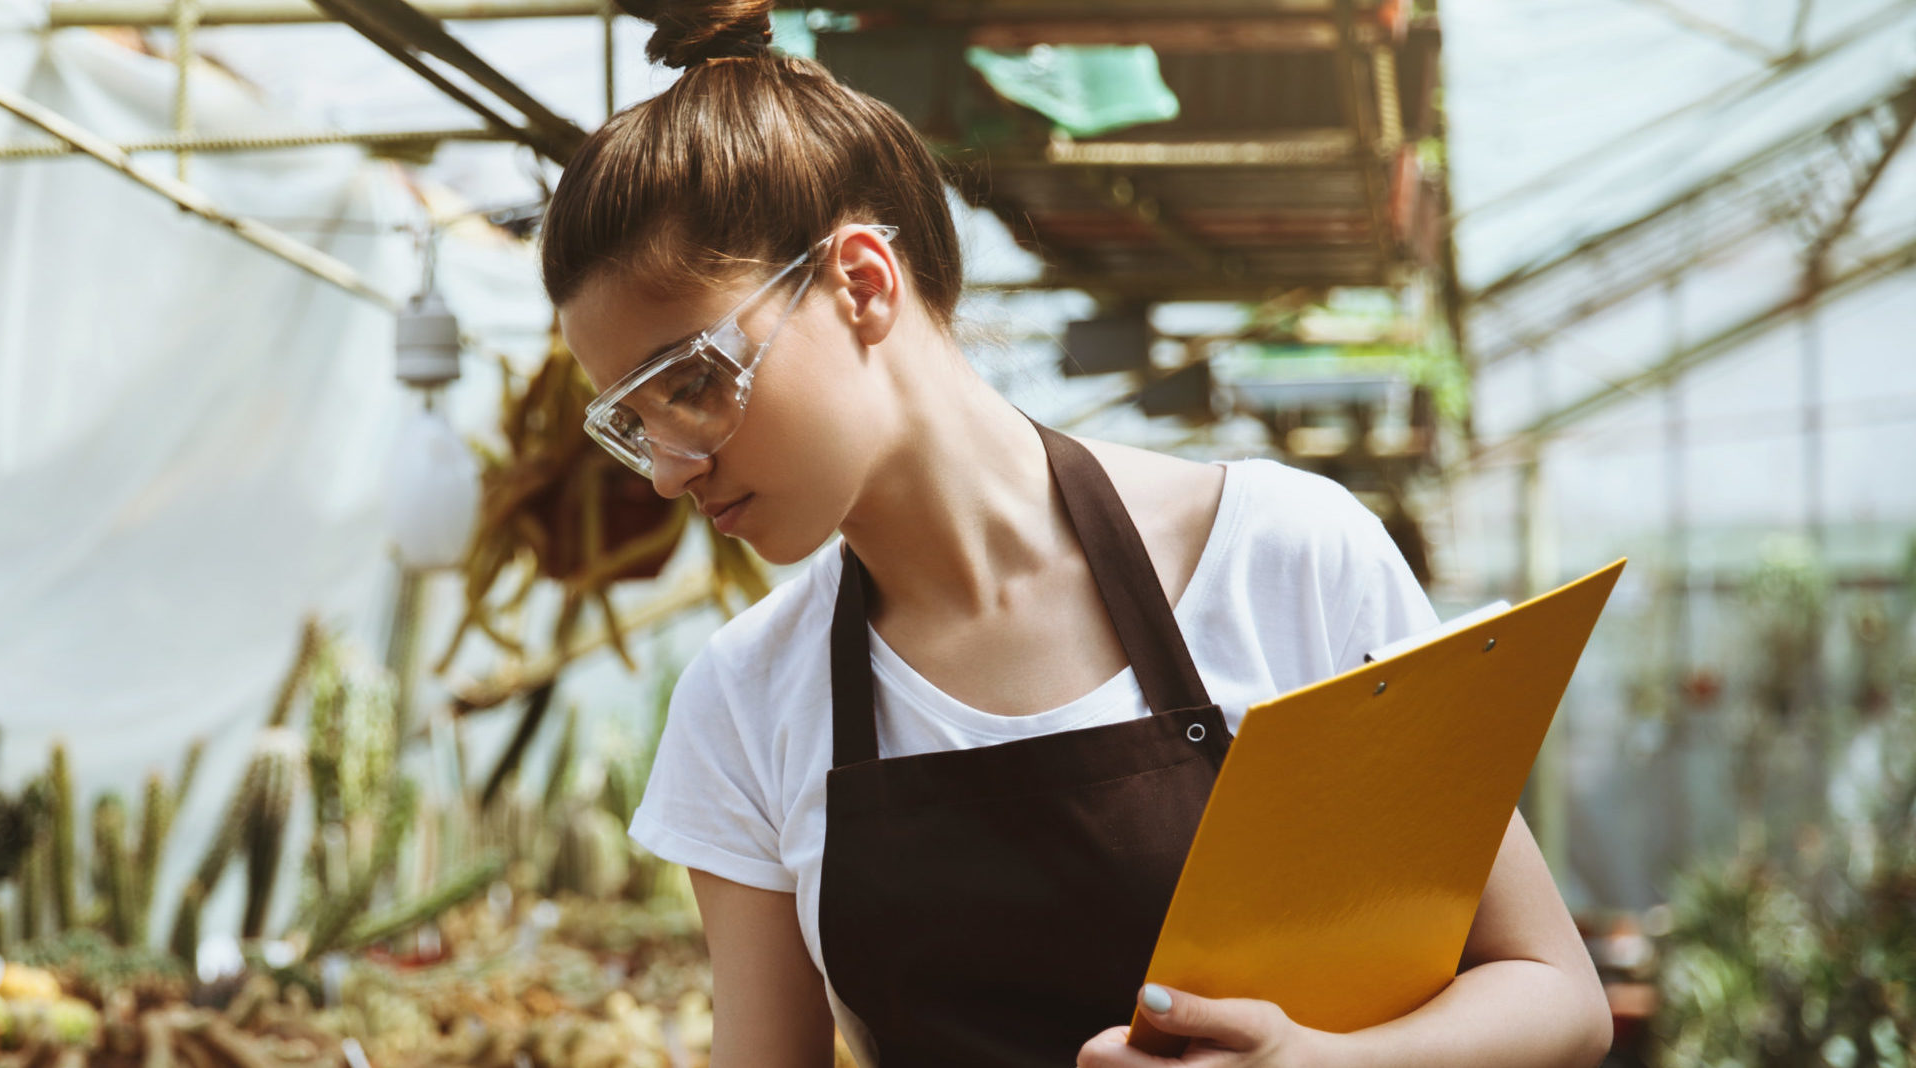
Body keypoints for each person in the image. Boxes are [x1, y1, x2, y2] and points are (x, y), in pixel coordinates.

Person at [537, 0, 1616, 1065]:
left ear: (861, 283)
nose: (673, 467)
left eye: (691, 381)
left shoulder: (1277, 558)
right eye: (631, 424)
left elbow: (1552, 993)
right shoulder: (744, 700)